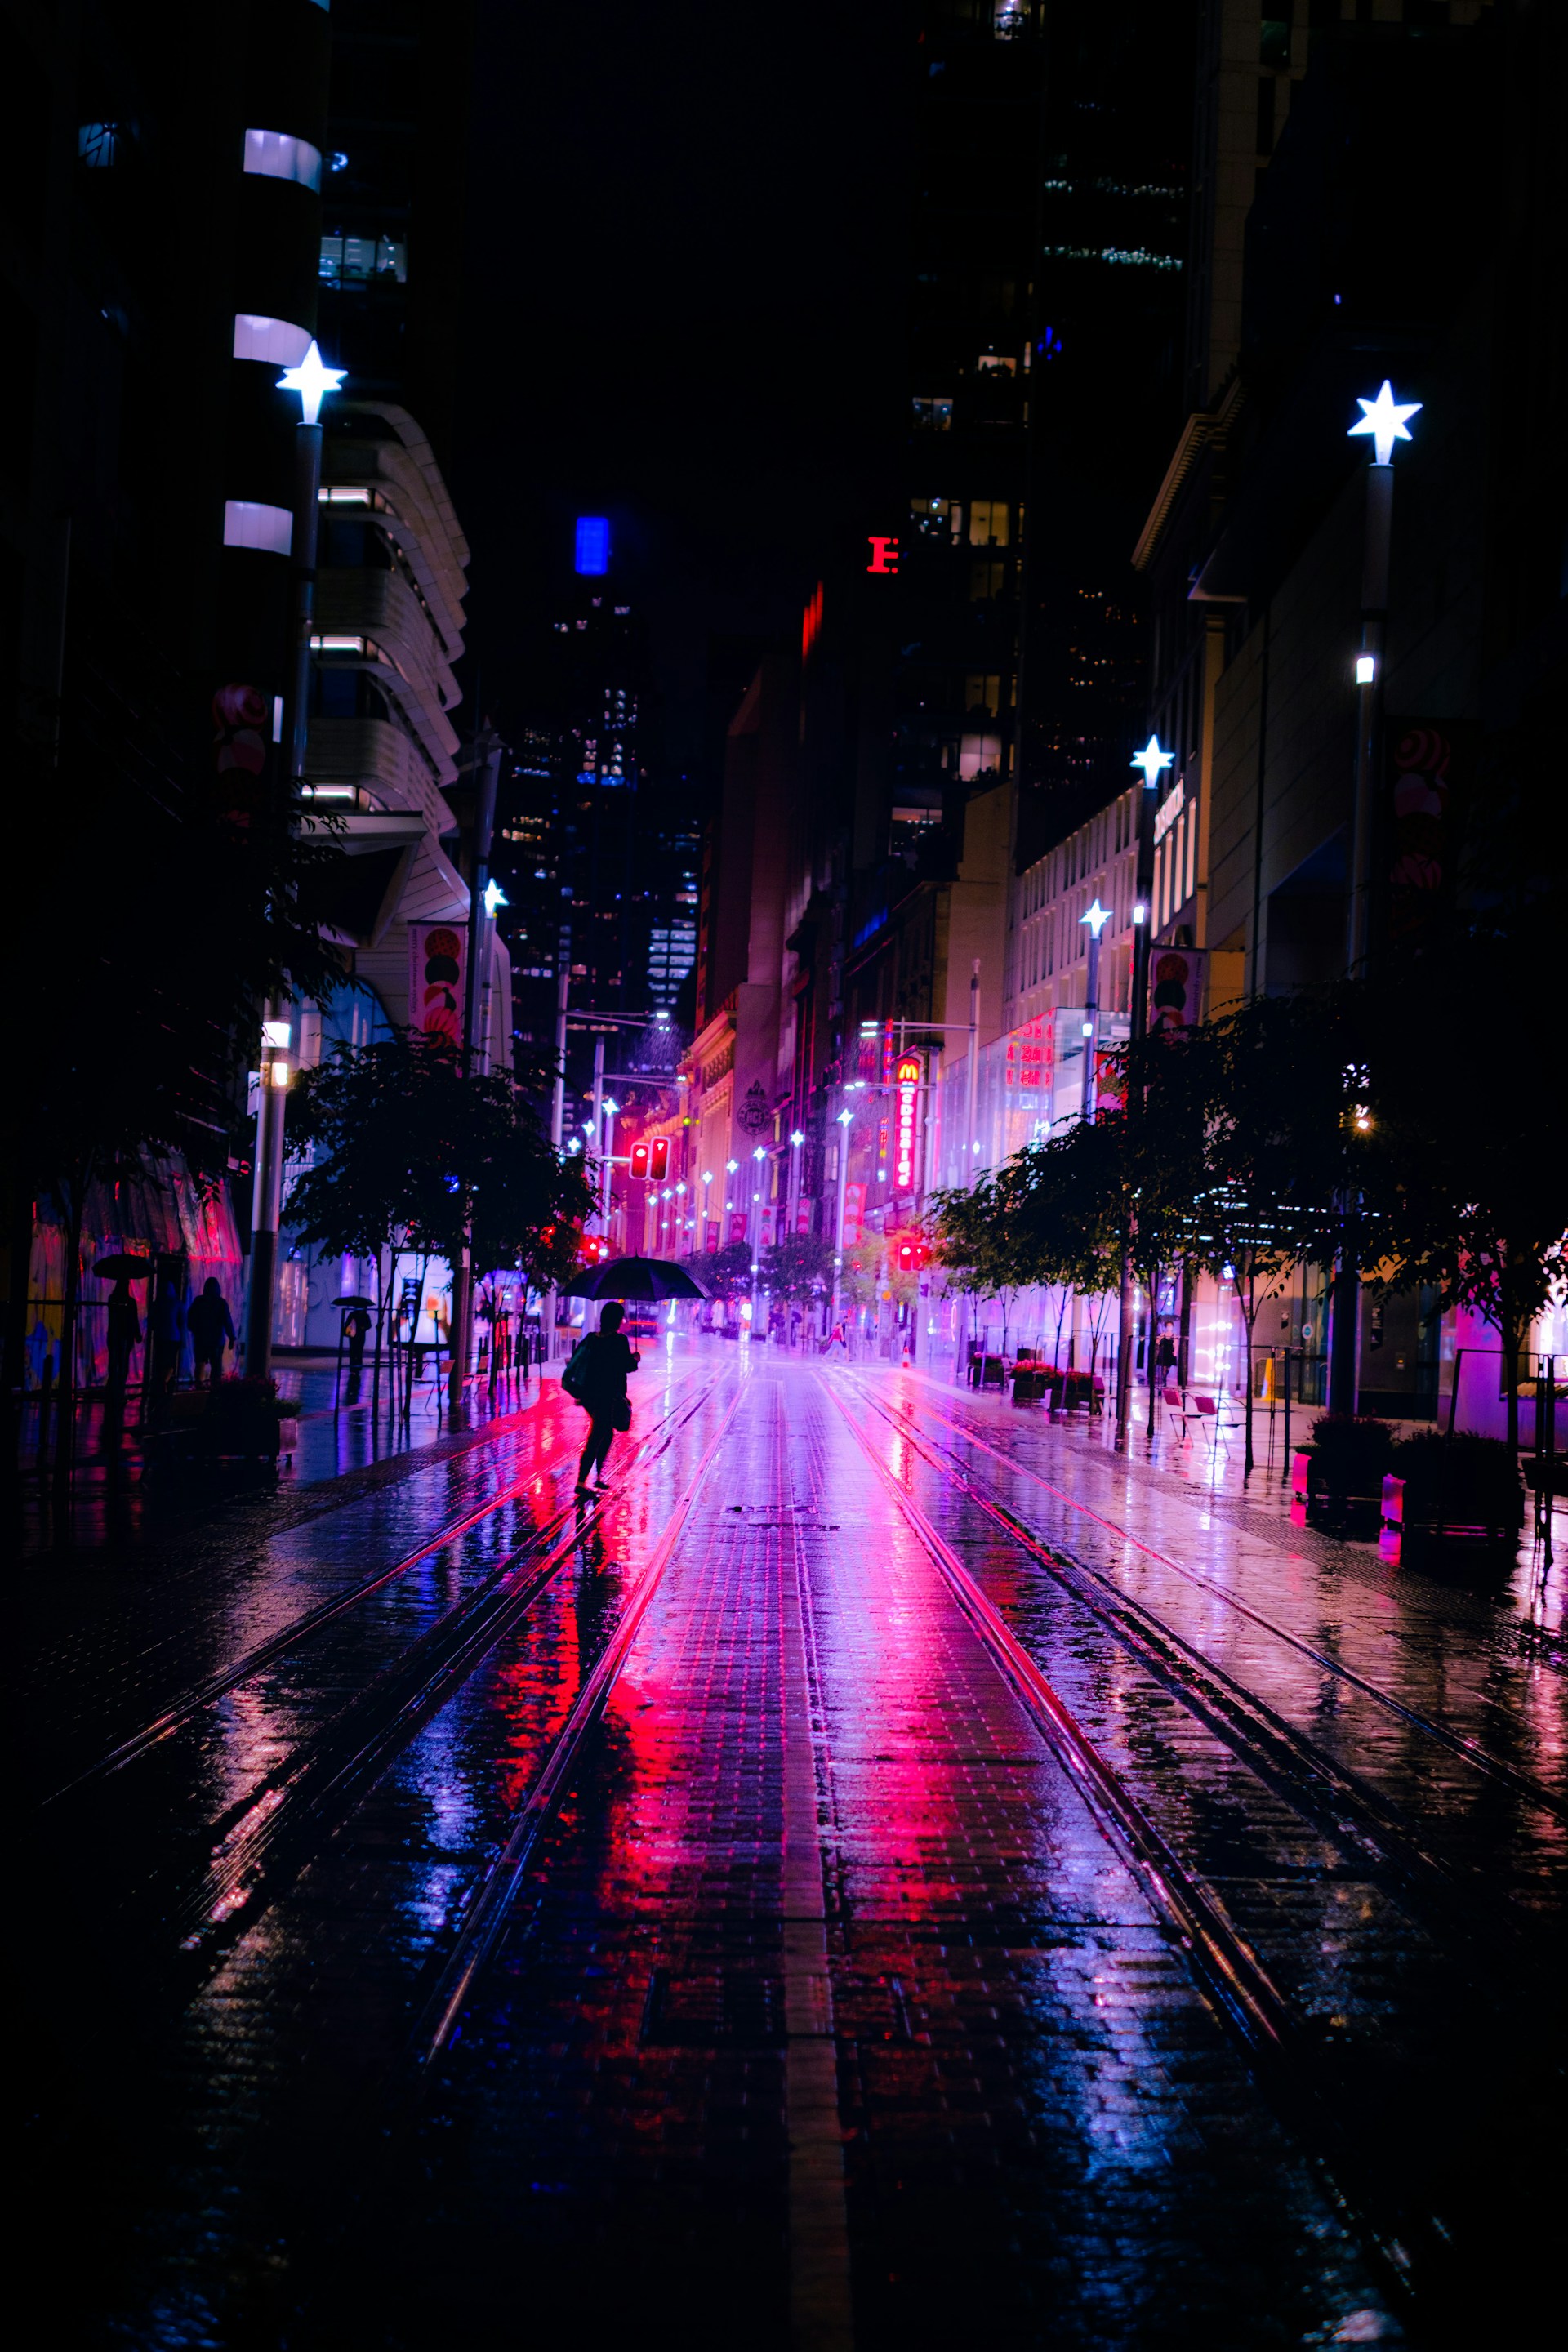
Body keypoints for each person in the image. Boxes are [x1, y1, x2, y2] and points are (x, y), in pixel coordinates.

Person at [564, 1302, 639, 1492]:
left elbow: (578, 1358)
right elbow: (627, 1365)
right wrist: (635, 1359)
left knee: (605, 1432)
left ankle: (597, 1476)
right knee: (599, 1433)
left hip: (589, 1395)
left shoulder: (591, 1339)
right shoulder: (619, 1341)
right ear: (616, 1320)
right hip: (608, 1395)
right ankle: (581, 1482)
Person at [187, 1276, 236, 1390]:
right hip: (216, 1341)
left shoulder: (198, 1301)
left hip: (200, 1339)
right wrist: (232, 1337)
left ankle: (199, 1388)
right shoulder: (221, 1303)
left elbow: (190, 1318)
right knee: (216, 1366)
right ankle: (214, 1390)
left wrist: (195, 1330)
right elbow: (227, 1321)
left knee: (200, 1363)